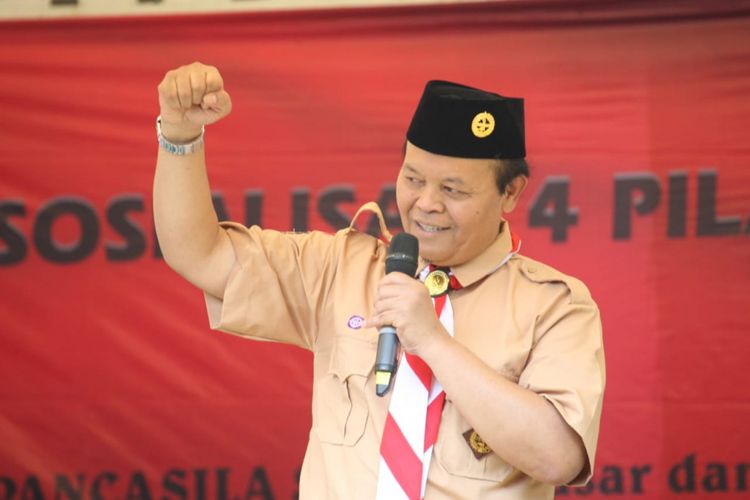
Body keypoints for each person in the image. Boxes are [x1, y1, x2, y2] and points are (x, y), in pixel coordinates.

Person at [154, 62, 605, 499]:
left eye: (452, 190)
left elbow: (558, 459)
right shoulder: (341, 268)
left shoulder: (554, 305)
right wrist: (179, 135)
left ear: (511, 192)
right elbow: (200, 255)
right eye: (413, 179)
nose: (425, 203)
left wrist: (432, 341)